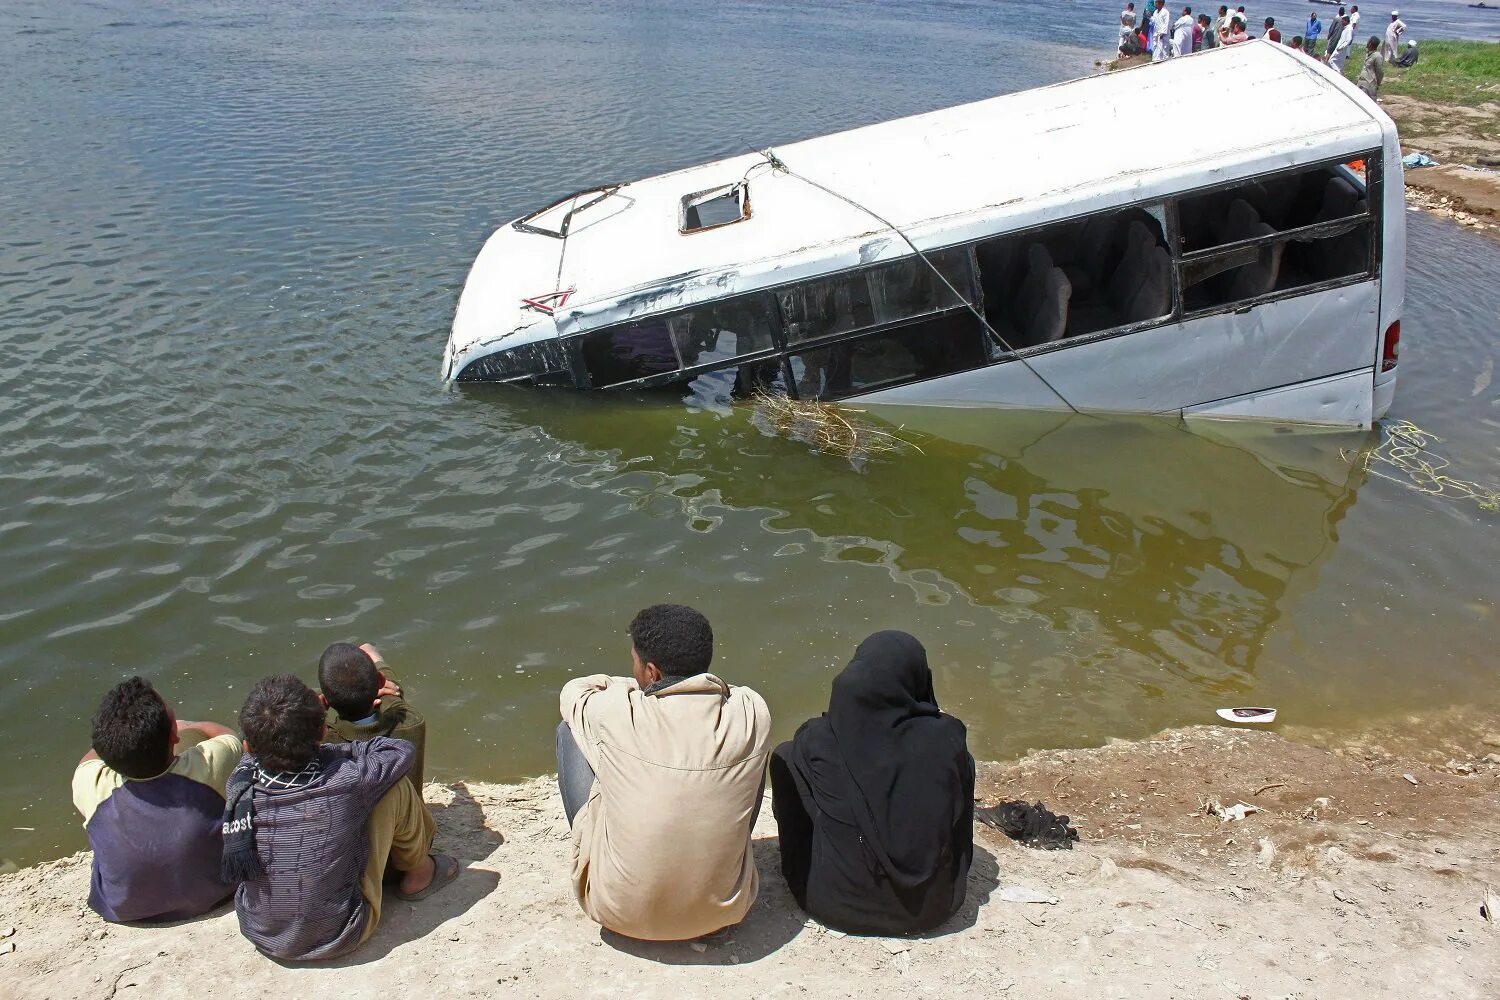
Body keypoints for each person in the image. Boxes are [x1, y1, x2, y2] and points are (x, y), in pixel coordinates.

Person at [557, 604, 771, 941]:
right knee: (749, 758)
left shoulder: (615, 712)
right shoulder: (752, 710)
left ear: (652, 672)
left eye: (635, 662)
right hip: (725, 909)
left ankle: (601, 856)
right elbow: (728, 692)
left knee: (568, 732)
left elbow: (574, 691)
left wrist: (628, 685)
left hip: (617, 913)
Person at [224, 674, 456, 961]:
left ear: (247, 747)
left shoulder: (241, 782)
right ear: (322, 733)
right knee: (394, 788)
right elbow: (401, 750)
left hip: (261, 932)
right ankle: (419, 874)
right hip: (339, 934)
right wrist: (334, 745)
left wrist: (309, 726)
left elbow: (264, 745)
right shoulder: (347, 779)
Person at [770, 631, 975, 936]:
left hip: (834, 907)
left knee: (786, 756)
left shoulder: (819, 740)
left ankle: (811, 864)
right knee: (959, 765)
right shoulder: (948, 739)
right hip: (934, 908)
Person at [71, 678, 241, 923]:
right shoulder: (207, 767)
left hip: (127, 908)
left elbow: (88, 760)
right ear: (174, 734)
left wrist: (116, 738)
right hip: (219, 890)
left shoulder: (90, 783)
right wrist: (187, 724)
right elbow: (226, 735)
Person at [319, 641, 427, 790]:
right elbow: (394, 692)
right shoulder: (411, 723)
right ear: (380, 681)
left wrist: (317, 697)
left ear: (326, 700)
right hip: (407, 812)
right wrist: (378, 670)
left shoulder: (323, 743)